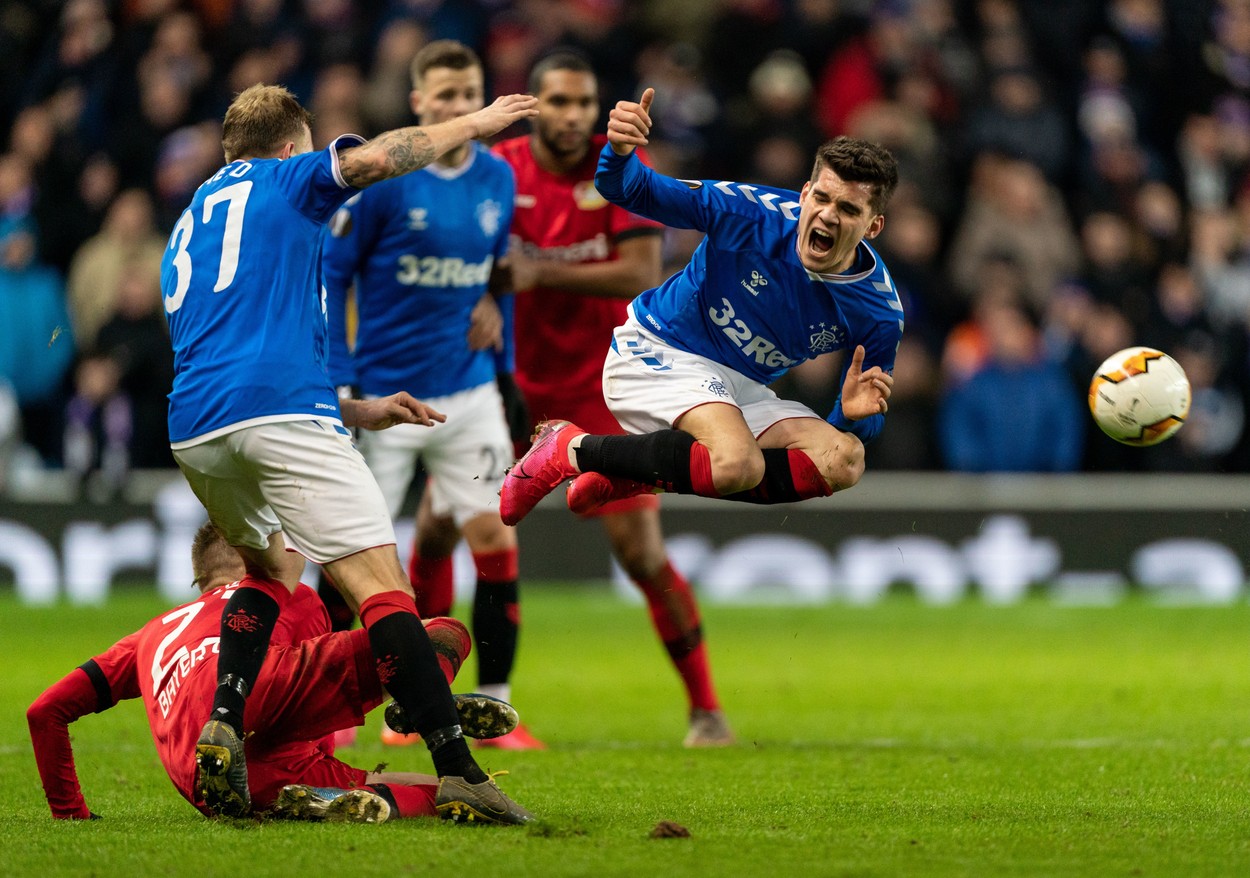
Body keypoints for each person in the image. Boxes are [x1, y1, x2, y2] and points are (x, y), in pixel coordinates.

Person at [158, 82, 537, 820]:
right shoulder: (287, 176)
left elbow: (235, 350)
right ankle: (456, 767)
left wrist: (358, 408)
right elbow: (375, 161)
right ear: (293, 145)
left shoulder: (190, 219)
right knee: (381, 590)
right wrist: (477, 123)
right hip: (281, 412)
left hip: (197, 428)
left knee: (270, 569)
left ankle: (224, 725)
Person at [499, 89, 900, 526]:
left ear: (873, 225)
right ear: (804, 193)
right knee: (736, 464)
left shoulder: (879, 312)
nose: (827, 216)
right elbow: (632, 189)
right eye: (821, 198)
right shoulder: (748, 213)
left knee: (843, 459)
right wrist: (619, 153)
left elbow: (861, 416)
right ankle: (569, 448)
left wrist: (853, 417)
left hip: (740, 388)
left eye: (847, 209)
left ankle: (630, 475)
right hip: (659, 351)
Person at [492, 52, 733, 748]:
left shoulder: (619, 166)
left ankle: (707, 709)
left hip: (602, 386)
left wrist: (537, 272)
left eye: (583, 103)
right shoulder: (499, 169)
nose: (573, 116)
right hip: (506, 382)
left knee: (642, 554)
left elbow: (639, 270)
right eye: (559, 102)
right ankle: (448, 711)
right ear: (534, 104)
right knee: (470, 534)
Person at [27, 523, 527, 825]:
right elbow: (318, 724)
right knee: (439, 632)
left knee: (413, 793)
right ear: (259, 558)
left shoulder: (148, 637)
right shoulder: (287, 597)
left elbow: (44, 711)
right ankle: (419, 699)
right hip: (271, 705)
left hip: (208, 776)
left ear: (199, 576)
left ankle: (318, 800)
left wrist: (73, 816)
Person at [321, 41, 531, 747]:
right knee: (351, 555)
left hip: (468, 394)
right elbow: (334, 276)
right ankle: (328, 709)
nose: (454, 104)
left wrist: (500, 347)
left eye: (465, 91)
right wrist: (342, 377)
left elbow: (493, 274)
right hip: (385, 398)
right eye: (441, 95)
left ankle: (494, 708)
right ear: (417, 104)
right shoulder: (385, 180)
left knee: (496, 540)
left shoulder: (498, 179)